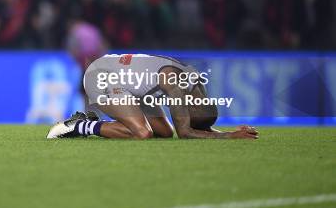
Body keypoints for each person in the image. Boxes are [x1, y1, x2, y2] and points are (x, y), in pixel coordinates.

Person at [47, 53, 259, 140]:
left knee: (165, 133)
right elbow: (185, 132)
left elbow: (197, 124)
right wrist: (229, 136)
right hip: (102, 75)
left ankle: (103, 122)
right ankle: (80, 125)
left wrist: (228, 131)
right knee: (143, 133)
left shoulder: (195, 84)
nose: (183, 112)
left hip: (133, 84)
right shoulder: (174, 84)